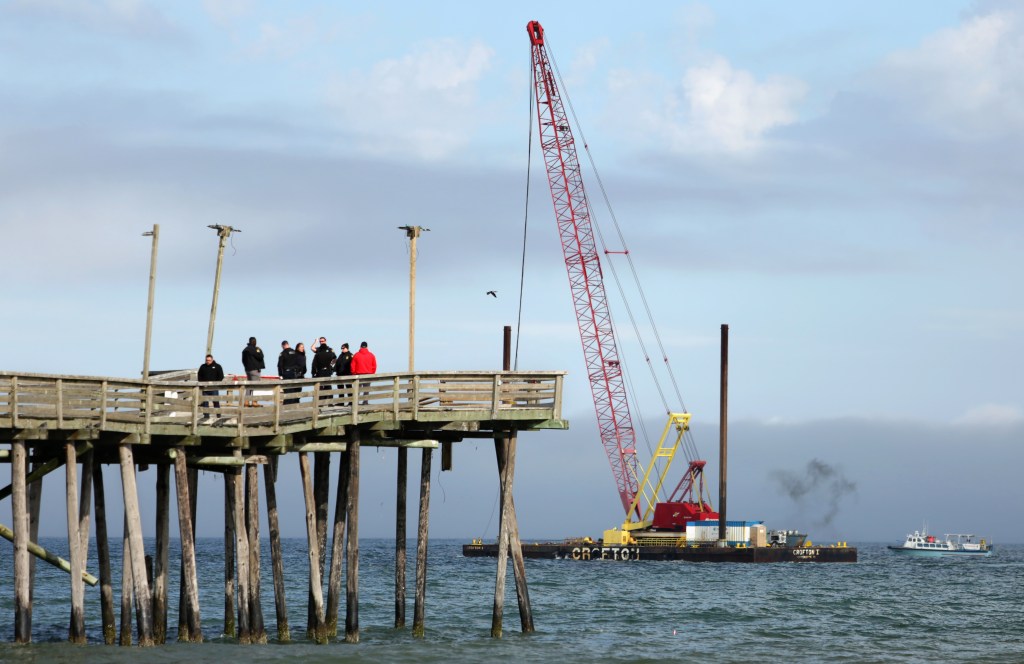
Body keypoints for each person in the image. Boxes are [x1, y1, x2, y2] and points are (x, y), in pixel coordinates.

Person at [242, 336, 265, 406]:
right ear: (254, 342)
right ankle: (254, 402)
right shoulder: (255, 349)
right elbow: (261, 356)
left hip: (248, 370)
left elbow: (243, 360)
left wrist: (246, 367)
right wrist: (259, 350)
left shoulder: (245, 350)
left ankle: (246, 401)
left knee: (249, 386)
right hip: (255, 370)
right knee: (255, 386)